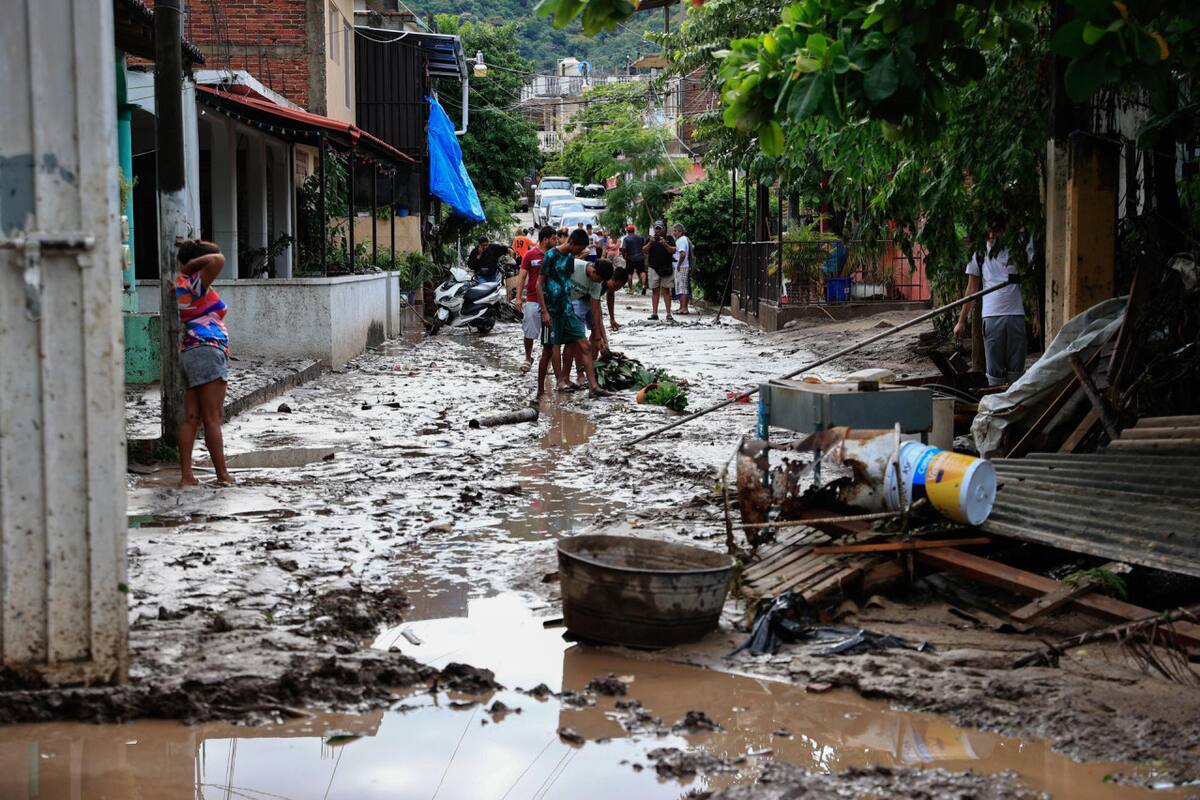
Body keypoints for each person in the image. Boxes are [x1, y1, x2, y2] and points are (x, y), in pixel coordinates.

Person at [175, 240, 234, 487]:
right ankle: (222, 474)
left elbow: (215, 255)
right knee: (212, 417)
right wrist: (191, 265)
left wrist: (192, 249)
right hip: (208, 350)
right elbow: (219, 258)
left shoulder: (182, 285)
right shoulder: (194, 282)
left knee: (192, 416)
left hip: (190, 351)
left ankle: (187, 475)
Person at [953, 218, 1040, 385]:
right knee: (994, 374)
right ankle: (995, 400)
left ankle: (1015, 401)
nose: (992, 235)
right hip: (991, 317)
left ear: (1004, 231)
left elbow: (1028, 283)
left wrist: (1036, 314)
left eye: (996, 231)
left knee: (1016, 373)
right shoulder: (979, 253)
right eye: (989, 232)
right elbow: (972, 289)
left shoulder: (1018, 250)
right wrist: (961, 321)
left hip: (1016, 315)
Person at [536, 229, 609, 400]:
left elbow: (567, 282)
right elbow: (539, 284)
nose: (580, 252)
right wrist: (544, 311)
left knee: (584, 345)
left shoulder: (570, 257)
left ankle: (593, 387)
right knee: (549, 349)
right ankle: (543, 389)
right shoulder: (551, 255)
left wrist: (598, 334)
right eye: (579, 248)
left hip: (568, 309)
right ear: (571, 243)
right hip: (551, 309)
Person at [566, 257, 615, 383]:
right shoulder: (574, 266)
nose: (599, 283)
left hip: (577, 300)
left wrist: (599, 338)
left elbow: (596, 310)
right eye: (599, 279)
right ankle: (576, 374)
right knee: (575, 340)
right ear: (593, 271)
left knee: (587, 339)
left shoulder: (597, 283)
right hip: (563, 302)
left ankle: (590, 370)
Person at [515, 226, 555, 374]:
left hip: (551, 300)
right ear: (545, 239)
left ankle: (548, 362)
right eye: (553, 238)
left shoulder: (555, 255)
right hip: (532, 298)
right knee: (529, 329)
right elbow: (522, 277)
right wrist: (519, 298)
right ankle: (528, 357)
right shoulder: (530, 255)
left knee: (550, 332)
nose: (556, 241)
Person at [643, 221, 676, 321]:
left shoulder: (669, 238)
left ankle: (668, 314)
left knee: (666, 291)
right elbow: (644, 250)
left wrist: (665, 243)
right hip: (653, 268)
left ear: (664, 229)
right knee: (655, 291)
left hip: (666, 268)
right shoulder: (650, 239)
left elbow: (673, 250)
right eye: (656, 228)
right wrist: (650, 243)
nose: (657, 230)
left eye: (659, 228)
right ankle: (654, 313)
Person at [672, 222, 692, 315]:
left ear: (680, 232)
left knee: (682, 288)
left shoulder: (681, 240)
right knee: (681, 287)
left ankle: (684, 308)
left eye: (675, 231)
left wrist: (679, 265)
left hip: (682, 266)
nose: (674, 233)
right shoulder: (681, 239)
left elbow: (682, 254)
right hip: (682, 266)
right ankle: (682, 307)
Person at [621, 224, 647, 294]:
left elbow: (623, 248)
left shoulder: (626, 239)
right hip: (640, 257)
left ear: (627, 231)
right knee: (642, 271)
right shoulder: (640, 238)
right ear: (634, 230)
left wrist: (624, 255)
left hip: (630, 258)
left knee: (629, 273)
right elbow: (644, 246)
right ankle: (644, 286)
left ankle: (631, 290)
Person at [604, 265, 629, 333]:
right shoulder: (600, 280)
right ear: (612, 278)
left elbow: (610, 296)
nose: (615, 289)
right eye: (615, 286)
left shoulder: (611, 286)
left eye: (618, 288)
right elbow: (595, 306)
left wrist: (612, 319)